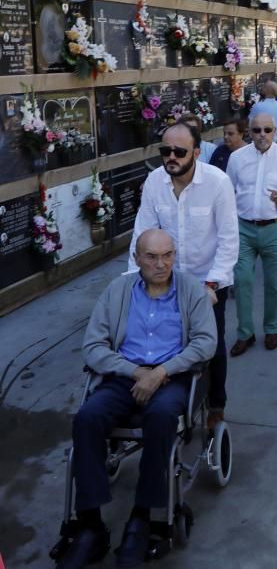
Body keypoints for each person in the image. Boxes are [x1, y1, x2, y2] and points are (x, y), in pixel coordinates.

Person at [61, 230, 215, 569]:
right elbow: (93, 345)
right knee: (87, 418)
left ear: (175, 255)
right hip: (124, 375)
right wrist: (134, 372)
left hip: (171, 378)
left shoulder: (191, 290)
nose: (161, 264)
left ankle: (143, 517)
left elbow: (205, 342)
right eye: (152, 257)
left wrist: (160, 373)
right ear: (136, 258)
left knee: (160, 419)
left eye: (168, 255)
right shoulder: (118, 290)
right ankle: (90, 524)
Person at [129, 121, 237, 431]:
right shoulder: (154, 182)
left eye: (179, 151)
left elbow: (229, 239)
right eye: (166, 151)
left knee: (212, 346)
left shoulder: (217, 182)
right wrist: (133, 281)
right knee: (162, 342)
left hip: (207, 280)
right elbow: (143, 233)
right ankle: (171, 399)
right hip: (165, 280)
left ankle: (216, 404)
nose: (171, 157)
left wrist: (212, 284)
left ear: (197, 153)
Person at [226, 112, 277, 356]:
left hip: (276, 227)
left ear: (275, 130)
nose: (262, 135)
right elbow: (229, 190)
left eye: (267, 130)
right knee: (242, 280)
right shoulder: (237, 158)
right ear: (249, 131)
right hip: (243, 228)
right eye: (257, 130)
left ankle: (271, 329)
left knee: (275, 284)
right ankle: (245, 333)